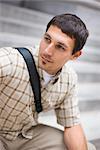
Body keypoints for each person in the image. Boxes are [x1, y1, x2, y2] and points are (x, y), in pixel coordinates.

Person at [0, 13, 96, 150]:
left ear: (75, 55)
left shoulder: (69, 79)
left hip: (26, 134)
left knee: (87, 148)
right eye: (47, 39)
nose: (47, 51)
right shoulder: (10, 60)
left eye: (60, 47)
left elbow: (72, 124)